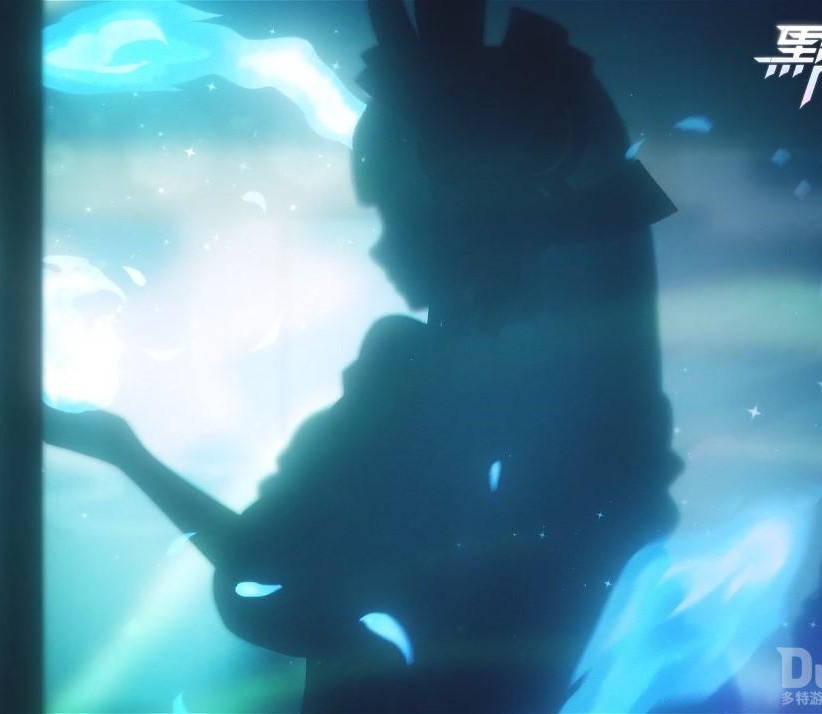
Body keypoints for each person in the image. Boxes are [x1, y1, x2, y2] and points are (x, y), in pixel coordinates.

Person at [38, 2, 681, 710]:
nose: (388, 245)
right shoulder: (510, 405)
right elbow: (268, 562)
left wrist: (123, 452)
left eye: (397, 215)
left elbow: (263, 560)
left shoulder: (431, 392)